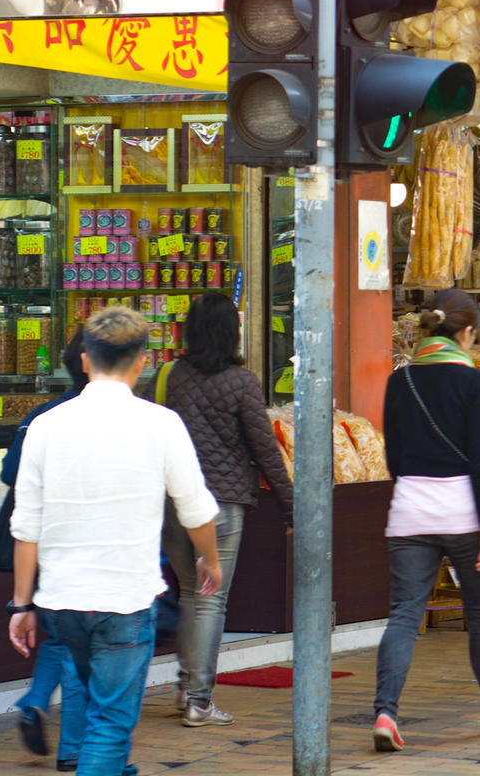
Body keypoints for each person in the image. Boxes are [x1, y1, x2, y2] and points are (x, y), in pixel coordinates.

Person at [8, 307, 224, 776]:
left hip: (62, 604)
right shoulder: (161, 423)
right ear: (142, 361)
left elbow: (27, 527)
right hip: (123, 601)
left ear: (85, 360)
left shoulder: (46, 425)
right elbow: (195, 508)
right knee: (110, 721)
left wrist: (20, 605)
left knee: (98, 705)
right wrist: (210, 559)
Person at [373, 291, 480, 751]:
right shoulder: (473, 383)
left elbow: (393, 456)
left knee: (403, 616)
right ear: (466, 333)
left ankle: (385, 713)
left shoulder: (400, 380)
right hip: (462, 512)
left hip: (409, 511)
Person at [161, 293, 295, 727]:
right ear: (231, 331)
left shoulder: (171, 376)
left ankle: (187, 688)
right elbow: (265, 449)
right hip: (221, 502)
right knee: (209, 600)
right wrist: (292, 505)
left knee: (189, 594)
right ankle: (199, 700)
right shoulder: (242, 382)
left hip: (174, 501)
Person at [0, 332, 89, 766]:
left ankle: (35, 699)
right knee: (76, 647)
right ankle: (73, 747)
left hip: (43, 544)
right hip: (82, 548)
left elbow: (9, 472)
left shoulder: (43, 414)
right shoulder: (126, 420)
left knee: (58, 634)